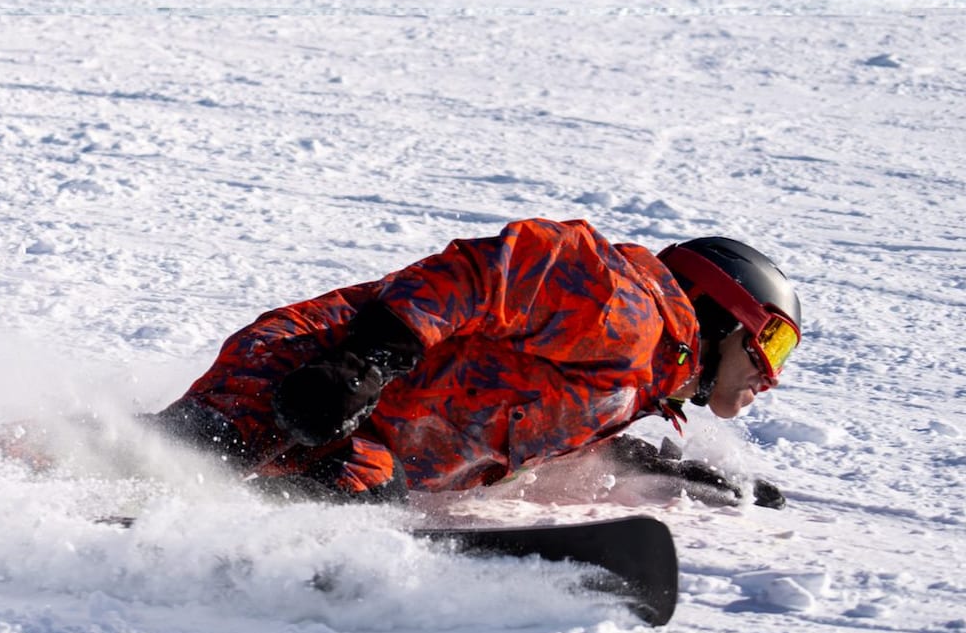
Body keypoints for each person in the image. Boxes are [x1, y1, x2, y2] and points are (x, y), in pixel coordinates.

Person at [145, 218, 800, 508]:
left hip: (366, 441)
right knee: (177, 455)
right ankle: (51, 457)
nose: (769, 376)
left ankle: (217, 526)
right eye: (770, 344)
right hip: (308, 371)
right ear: (722, 310)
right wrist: (359, 366)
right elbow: (480, 274)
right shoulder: (623, 304)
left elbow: (543, 420)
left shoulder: (640, 380)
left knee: (360, 495)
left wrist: (660, 472)